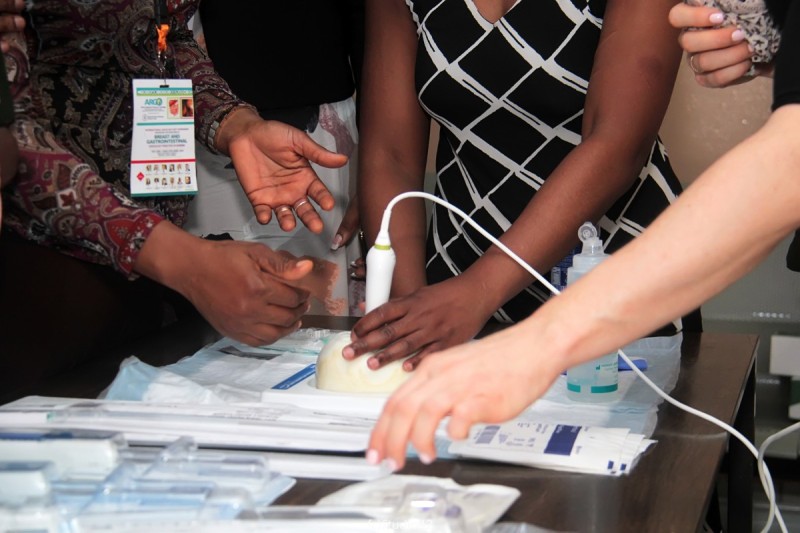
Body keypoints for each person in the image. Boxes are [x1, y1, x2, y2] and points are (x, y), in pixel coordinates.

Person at [365, 0, 800, 470]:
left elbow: (781, 168)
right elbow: (388, 152)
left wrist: (538, 337)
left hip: (616, 280)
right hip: (458, 268)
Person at [0, 1, 348, 401]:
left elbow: (162, 38)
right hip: (42, 274)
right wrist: (187, 262)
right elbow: (13, 135)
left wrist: (234, 124)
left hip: (147, 268)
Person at [345, 0, 699, 371]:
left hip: (616, 280)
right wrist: (413, 319)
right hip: (454, 285)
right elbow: (390, 156)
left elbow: (616, 143)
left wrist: (479, 290)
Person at [185, 1, 366, 317]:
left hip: (308, 125)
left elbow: (368, 23)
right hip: (165, 121)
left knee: (307, 319)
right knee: (192, 321)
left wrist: (378, 167)